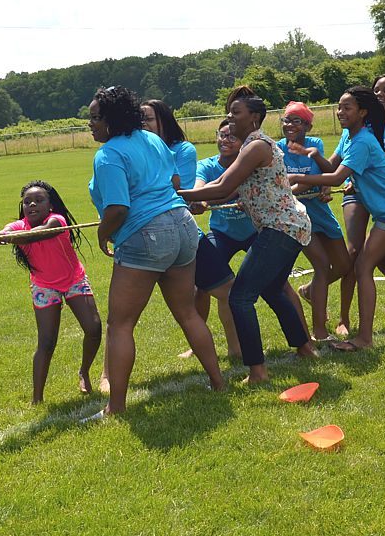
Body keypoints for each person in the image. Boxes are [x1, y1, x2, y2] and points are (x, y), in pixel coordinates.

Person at [87, 86, 225, 416]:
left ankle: (115, 408)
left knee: (120, 324)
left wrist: (103, 235)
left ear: (111, 119)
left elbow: (118, 208)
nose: (90, 124)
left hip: (146, 233)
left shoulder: (108, 154)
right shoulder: (152, 139)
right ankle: (219, 382)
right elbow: (175, 182)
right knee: (188, 312)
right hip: (183, 226)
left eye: (94, 117)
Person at [179, 86, 319, 383]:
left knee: (240, 298)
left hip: (281, 228)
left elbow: (223, 188)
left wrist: (173, 195)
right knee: (272, 289)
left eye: (236, 113)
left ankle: (258, 371)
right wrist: (196, 197)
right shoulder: (249, 147)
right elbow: (219, 185)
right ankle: (305, 348)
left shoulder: (256, 146)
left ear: (253, 117)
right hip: (288, 226)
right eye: (229, 112)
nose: (229, 117)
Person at [289, 87, 385, 350]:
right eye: (339, 107)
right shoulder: (351, 137)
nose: (340, 112)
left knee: (363, 267)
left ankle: (364, 339)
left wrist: (296, 177)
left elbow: (336, 179)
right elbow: (334, 168)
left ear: (362, 112)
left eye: (347, 108)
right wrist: (314, 157)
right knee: (383, 263)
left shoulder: (363, 140)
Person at [0, 181, 102, 404]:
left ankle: (84, 371)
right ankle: (37, 399)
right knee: (46, 342)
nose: (32, 204)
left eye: (38, 200)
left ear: (50, 205)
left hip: (73, 280)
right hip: (44, 285)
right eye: (27, 202)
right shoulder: (17, 226)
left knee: (94, 328)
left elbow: (33, 235)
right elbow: (4, 234)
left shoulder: (57, 221)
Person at [275, 101, 350, 340]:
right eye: (286, 120)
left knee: (343, 265)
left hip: (321, 213)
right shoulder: (276, 149)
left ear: (308, 126)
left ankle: (309, 291)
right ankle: (319, 330)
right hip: (297, 217)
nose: (289, 125)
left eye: (296, 121)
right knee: (321, 265)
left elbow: (322, 174)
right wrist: (310, 184)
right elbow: (280, 183)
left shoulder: (315, 144)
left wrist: (321, 185)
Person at [185, 119, 249, 360]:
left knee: (279, 284)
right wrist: (199, 199)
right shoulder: (206, 165)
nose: (225, 140)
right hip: (222, 233)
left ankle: (304, 339)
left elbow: (233, 188)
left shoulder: (249, 162)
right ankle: (197, 343)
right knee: (203, 286)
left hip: (254, 232)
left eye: (232, 136)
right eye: (221, 135)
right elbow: (200, 186)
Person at [142, 99, 198, 189]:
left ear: (165, 122)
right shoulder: (137, 151)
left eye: (149, 119)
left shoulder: (183, 150)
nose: (143, 124)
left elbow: (182, 188)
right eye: (140, 120)